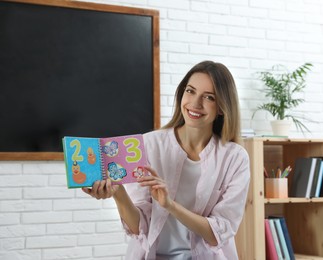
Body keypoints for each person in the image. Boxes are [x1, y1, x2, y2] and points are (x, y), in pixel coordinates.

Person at [82, 61, 250, 259]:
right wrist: (118, 192)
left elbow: (219, 233)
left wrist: (170, 204)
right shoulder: (147, 145)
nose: (195, 103)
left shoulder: (235, 158)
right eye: (190, 91)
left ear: (222, 107)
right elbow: (138, 228)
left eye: (209, 97)